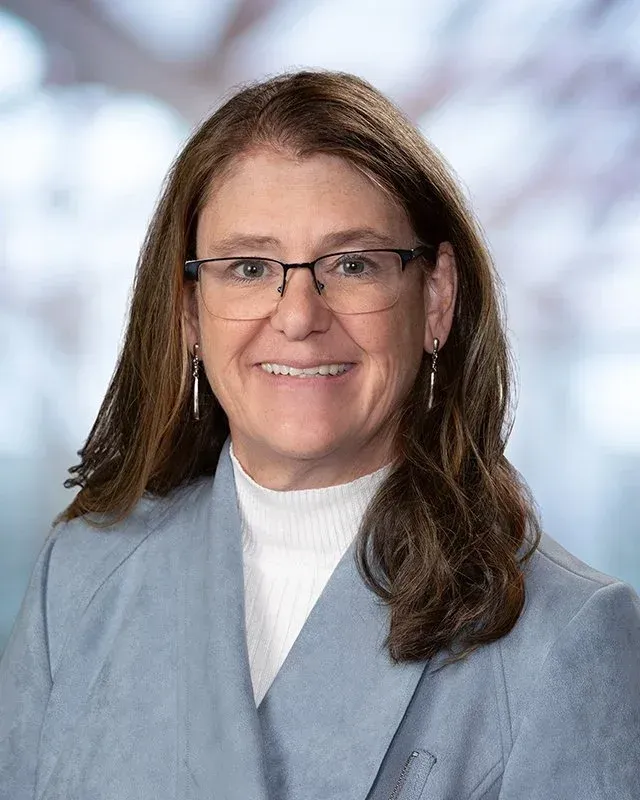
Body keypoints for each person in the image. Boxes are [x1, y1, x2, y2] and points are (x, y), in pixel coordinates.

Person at [1, 70, 638, 800]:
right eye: (248, 267)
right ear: (188, 314)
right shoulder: (79, 576)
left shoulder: (568, 637)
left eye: (352, 264)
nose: (299, 315)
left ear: (435, 299)